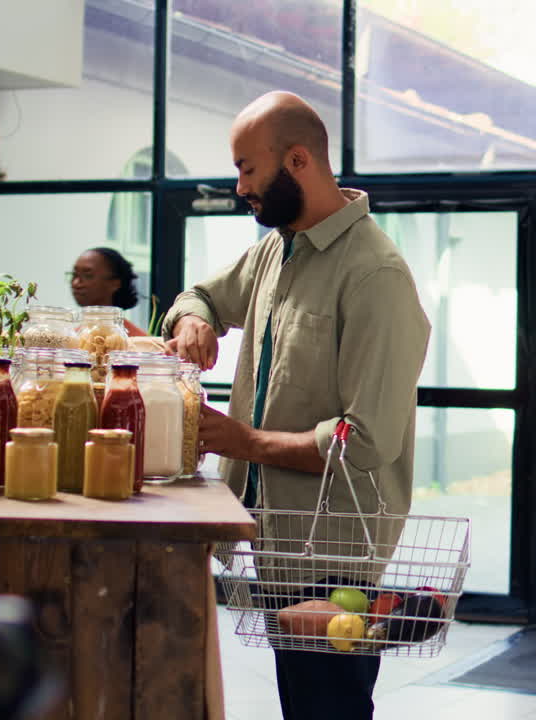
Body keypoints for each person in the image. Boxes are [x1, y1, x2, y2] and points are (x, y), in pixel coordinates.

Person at [161, 91, 431, 720]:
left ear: (299, 161)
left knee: (327, 709)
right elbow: (199, 293)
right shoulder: (275, 252)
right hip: (281, 542)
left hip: (338, 552)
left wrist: (243, 441)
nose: (239, 187)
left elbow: (364, 441)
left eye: (248, 168)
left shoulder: (376, 276)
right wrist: (197, 319)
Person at [69, 247, 147, 336]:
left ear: (115, 283)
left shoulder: (136, 341)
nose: (76, 283)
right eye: (74, 275)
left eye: (88, 275)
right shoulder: (72, 338)